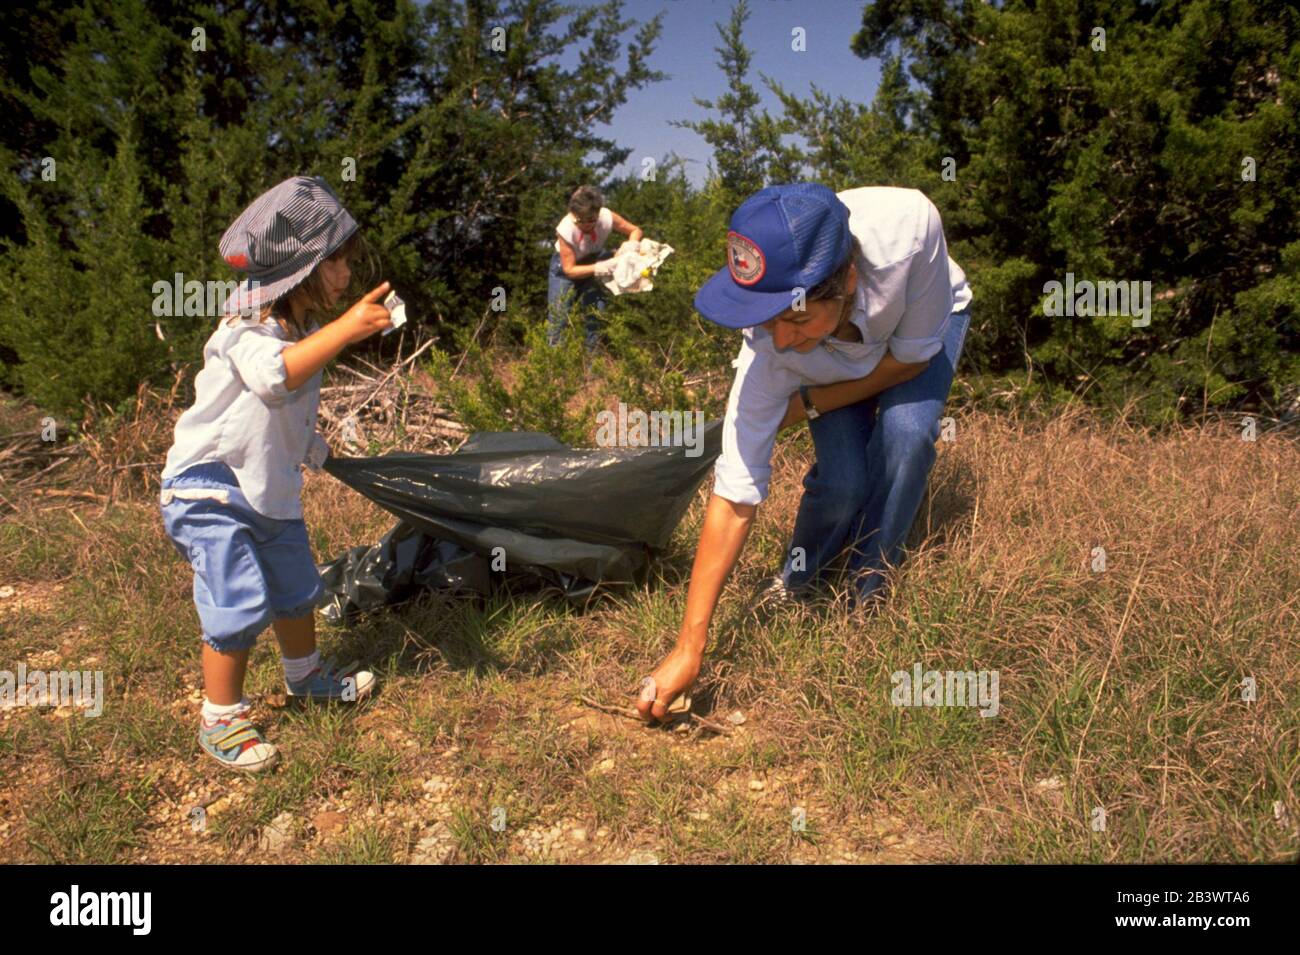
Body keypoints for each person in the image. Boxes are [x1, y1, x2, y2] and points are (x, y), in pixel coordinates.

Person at [636, 182, 973, 721]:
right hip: (835, 354)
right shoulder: (771, 352)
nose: (780, 339)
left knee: (907, 435)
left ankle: (870, 588)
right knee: (842, 481)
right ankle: (799, 579)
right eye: (767, 319)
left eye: (793, 319)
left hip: (917, 326)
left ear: (848, 282)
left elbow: (908, 362)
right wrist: (688, 649)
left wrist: (813, 400)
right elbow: (734, 496)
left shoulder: (909, 227)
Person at [159, 175, 394, 771]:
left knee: (297, 591)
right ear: (303, 267)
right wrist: (350, 329)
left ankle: (305, 678)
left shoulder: (299, 333)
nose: (346, 274)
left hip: (269, 489)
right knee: (236, 602)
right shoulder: (246, 329)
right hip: (208, 489)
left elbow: (288, 412)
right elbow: (273, 379)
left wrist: (320, 452)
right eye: (337, 261)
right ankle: (222, 717)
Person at [547, 184, 643, 348]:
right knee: (559, 318)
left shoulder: (606, 216)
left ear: (598, 212)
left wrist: (631, 245)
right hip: (565, 270)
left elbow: (635, 230)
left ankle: (592, 369)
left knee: (595, 315)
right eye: (580, 220)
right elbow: (569, 270)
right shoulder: (566, 229)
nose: (585, 224)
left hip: (594, 259)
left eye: (591, 220)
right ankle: (554, 367)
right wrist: (600, 268)